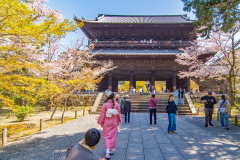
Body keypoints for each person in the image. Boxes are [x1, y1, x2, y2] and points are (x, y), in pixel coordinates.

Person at [97, 93, 122, 159]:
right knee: (113, 136)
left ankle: (107, 152)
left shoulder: (105, 105)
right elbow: (119, 113)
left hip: (107, 122)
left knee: (106, 136)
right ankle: (111, 150)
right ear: (114, 97)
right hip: (114, 122)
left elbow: (102, 114)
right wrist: (120, 120)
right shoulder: (116, 104)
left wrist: (100, 122)